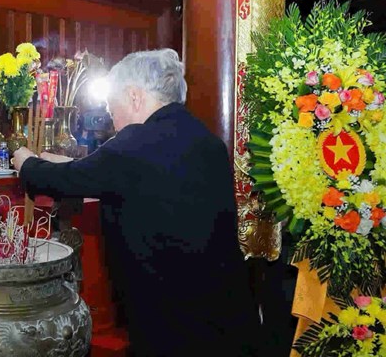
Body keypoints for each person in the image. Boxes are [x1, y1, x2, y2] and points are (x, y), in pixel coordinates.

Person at [13, 49, 260, 357]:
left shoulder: (134, 144)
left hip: (174, 329)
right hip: (229, 317)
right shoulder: (206, 140)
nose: (113, 119)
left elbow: (69, 179)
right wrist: (65, 164)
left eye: (112, 107)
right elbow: (124, 178)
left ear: (134, 96)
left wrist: (26, 162)